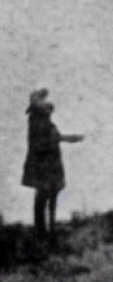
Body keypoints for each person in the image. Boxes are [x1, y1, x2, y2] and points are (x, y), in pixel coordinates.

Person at [21, 89, 84, 240]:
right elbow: (40, 144)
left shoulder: (45, 123)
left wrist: (70, 138)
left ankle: (48, 232)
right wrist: (60, 140)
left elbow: (56, 138)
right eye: (44, 105)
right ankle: (43, 233)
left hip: (50, 167)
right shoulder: (37, 123)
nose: (48, 109)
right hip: (44, 168)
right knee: (43, 200)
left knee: (48, 198)